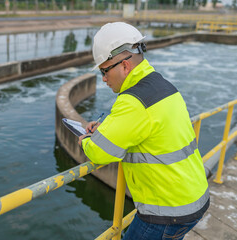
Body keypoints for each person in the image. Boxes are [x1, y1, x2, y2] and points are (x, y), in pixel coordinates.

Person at [78, 22, 209, 240]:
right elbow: (146, 126)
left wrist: (85, 140)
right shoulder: (161, 85)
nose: (103, 78)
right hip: (193, 198)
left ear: (124, 66)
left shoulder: (133, 101)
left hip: (168, 211)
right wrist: (106, 127)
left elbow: (100, 152)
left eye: (104, 70)